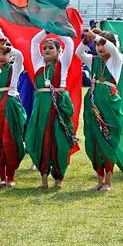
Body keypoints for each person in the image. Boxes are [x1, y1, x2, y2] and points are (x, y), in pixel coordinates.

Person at [25, 33, 77, 190]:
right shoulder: (38, 64)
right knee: (40, 139)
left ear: (59, 50)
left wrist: (57, 26)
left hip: (58, 106)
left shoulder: (63, 64)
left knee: (59, 140)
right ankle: (44, 178)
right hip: (41, 106)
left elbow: (69, 43)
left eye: (51, 47)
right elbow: (34, 41)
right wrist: (45, 30)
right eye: (45, 48)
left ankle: (58, 179)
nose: (47, 50)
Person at [76, 27, 123, 191]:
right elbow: (79, 53)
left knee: (108, 140)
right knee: (94, 139)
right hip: (92, 101)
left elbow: (110, 48)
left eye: (102, 44)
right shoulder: (93, 60)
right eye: (97, 45)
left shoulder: (117, 59)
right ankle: (99, 180)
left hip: (109, 103)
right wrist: (86, 39)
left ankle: (108, 182)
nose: (99, 47)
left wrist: (95, 36)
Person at [0, 38, 27, 187]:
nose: (1, 56)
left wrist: (6, 47)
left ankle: (11, 177)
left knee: (10, 139)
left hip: (9, 105)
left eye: (4, 54)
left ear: (10, 56)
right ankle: (2, 177)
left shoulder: (15, 68)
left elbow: (20, 55)